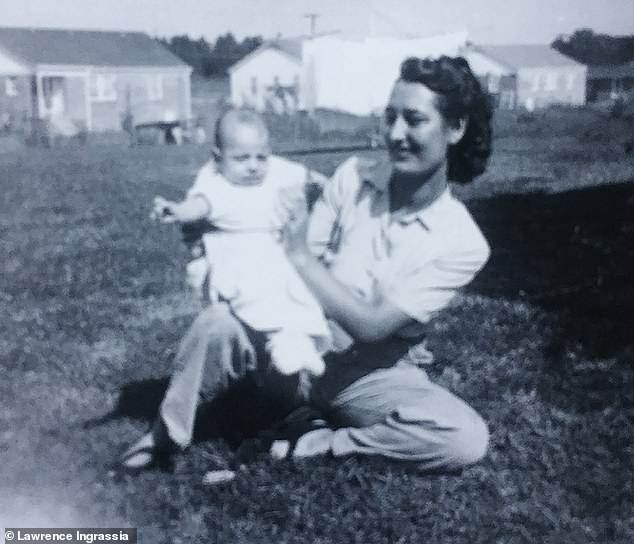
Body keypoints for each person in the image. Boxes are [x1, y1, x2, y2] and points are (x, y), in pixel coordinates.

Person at [120, 55, 493, 471]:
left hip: (371, 374)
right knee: (216, 323)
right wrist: (218, 235)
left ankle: (320, 441)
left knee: (464, 438)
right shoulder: (354, 176)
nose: (395, 134)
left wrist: (300, 255)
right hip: (295, 336)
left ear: (456, 128)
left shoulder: (463, 242)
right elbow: (283, 257)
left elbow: (371, 326)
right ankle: (164, 436)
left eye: (414, 120)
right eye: (389, 118)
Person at [150, 109, 331, 382]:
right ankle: (277, 341)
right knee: (256, 294)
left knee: (299, 292)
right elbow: (198, 205)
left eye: (261, 157)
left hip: (275, 248)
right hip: (236, 253)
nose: (254, 166)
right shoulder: (217, 185)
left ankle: (300, 341)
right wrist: (176, 210)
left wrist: (320, 183)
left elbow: (305, 176)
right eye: (242, 158)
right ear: (218, 158)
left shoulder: (277, 171)